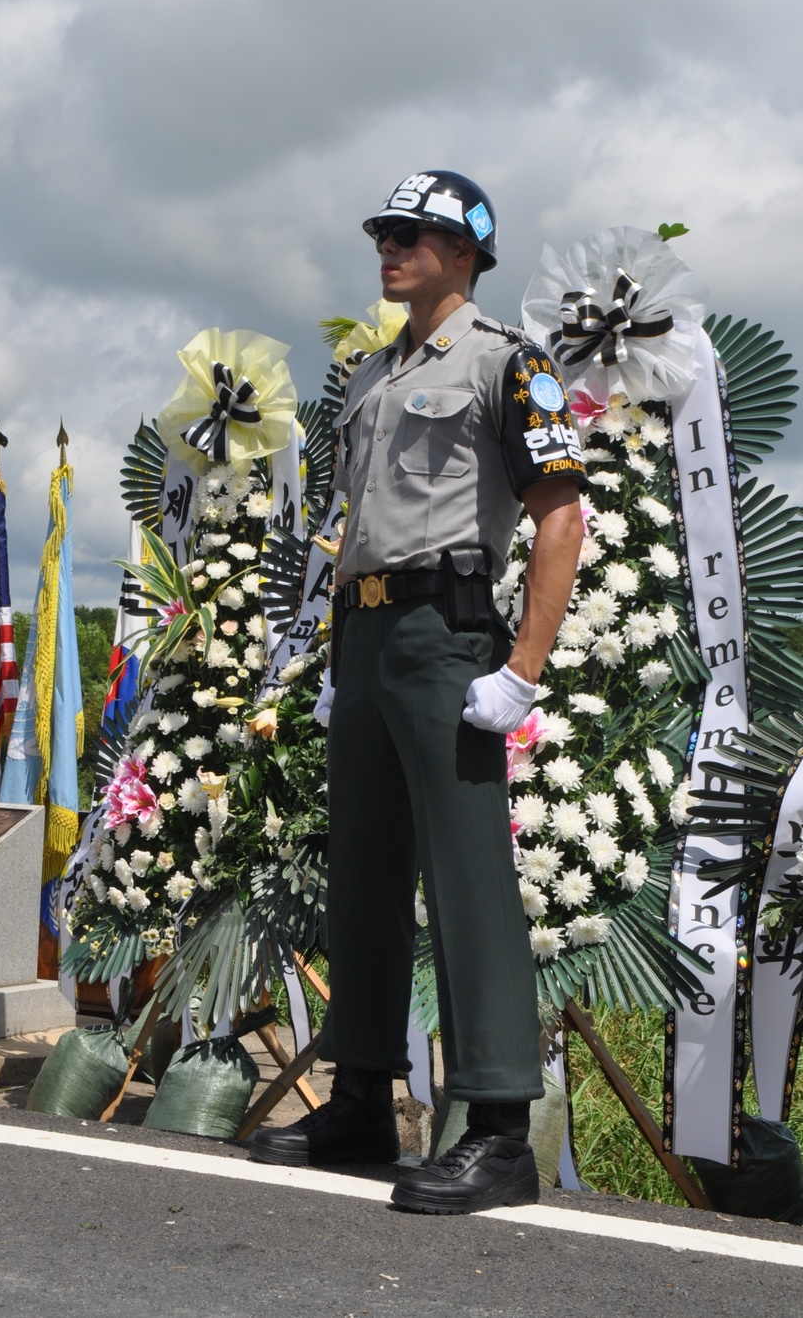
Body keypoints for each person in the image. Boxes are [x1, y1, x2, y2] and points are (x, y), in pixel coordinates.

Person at [250, 171, 586, 1214]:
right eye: (386, 234)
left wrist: (519, 673)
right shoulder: (368, 378)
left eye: (414, 235)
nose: (390, 249)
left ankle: (496, 1129)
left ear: (469, 251)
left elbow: (559, 514)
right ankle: (360, 1099)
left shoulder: (503, 364)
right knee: (362, 869)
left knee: (467, 876)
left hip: (448, 632)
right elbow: (345, 531)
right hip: (365, 633)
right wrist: (328, 658)